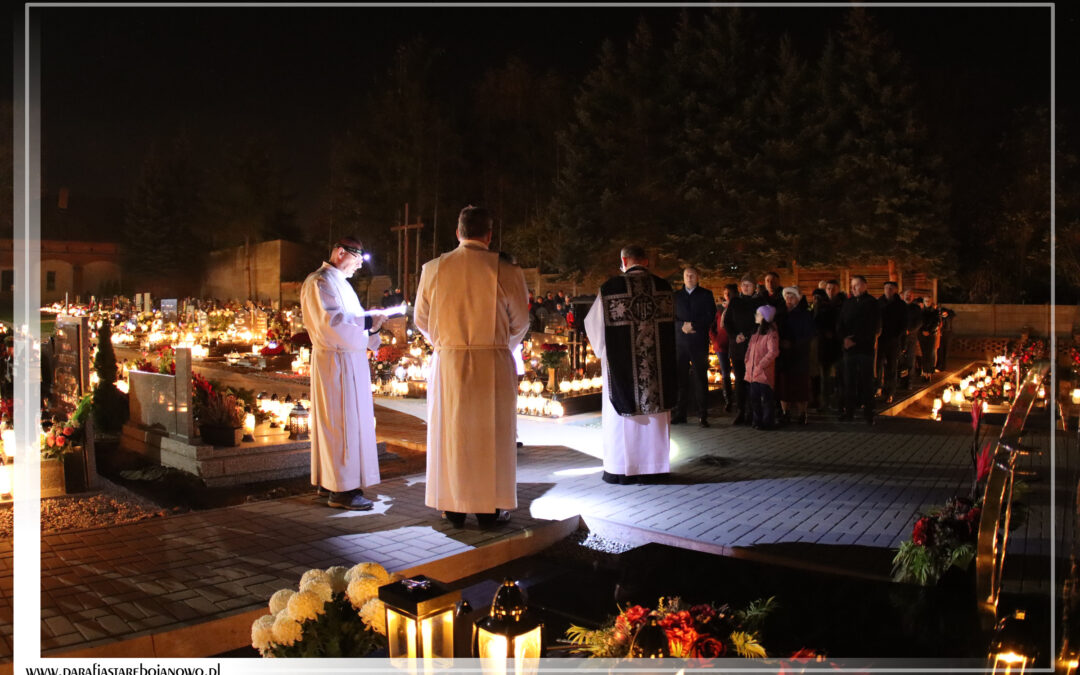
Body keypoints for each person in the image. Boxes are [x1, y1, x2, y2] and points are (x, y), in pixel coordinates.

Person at [415, 206, 530, 528]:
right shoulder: (505, 270)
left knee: (451, 432)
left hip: (448, 362)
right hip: (491, 361)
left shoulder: (434, 268)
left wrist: (445, 344)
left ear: (458, 232)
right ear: (489, 235)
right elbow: (520, 322)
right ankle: (489, 509)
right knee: (489, 435)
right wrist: (498, 347)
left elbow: (421, 320)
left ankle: (451, 506)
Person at [301, 236, 385, 510]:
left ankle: (333, 483)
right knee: (341, 425)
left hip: (349, 361)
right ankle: (342, 490)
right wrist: (369, 321)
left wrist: (372, 328)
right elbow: (332, 324)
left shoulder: (340, 284)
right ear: (339, 253)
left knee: (345, 424)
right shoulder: (319, 282)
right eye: (357, 259)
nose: (359, 266)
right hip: (335, 364)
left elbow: (354, 324)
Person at [584, 245, 676, 485]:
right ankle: (654, 468)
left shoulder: (610, 289)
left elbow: (593, 325)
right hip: (658, 367)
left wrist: (604, 351)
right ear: (647, 261)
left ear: (624, 261)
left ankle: (621, 468)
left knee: (622, 420)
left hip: (621, 368)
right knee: (655, 418)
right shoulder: (663, 287)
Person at [672, 267, 716, 427]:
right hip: (681, 343)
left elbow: (710, 316)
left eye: (692, 275)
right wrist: (681, 326)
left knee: (700, 379)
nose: (689, 277)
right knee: (681, 380)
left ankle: (702, 414)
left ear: (698, 277)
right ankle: (680, 413)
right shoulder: (676, 296)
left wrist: (694, 325)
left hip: (698, 343)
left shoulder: (705, 295)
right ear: (683, 278)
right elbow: (671, 316)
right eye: (686, 275)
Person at [838, 275, 881, 425]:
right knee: (849, 381)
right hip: (849, 349)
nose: (853, 288)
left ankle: (869, 413)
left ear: (864, 286)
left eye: (856, 285)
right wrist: (844, 338)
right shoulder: (848, 303)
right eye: (852, 285)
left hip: (864, 348)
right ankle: (848, 411)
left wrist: (854, 340)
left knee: (866, 382)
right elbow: (841, 322)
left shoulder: (872, 303)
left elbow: (871, 326)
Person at [723, 275, 761, 425]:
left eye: (749, 285)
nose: (746, 287)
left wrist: (746, 335)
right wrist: (735, 335)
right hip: (737, 346)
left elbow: (760, 323)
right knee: (739, 380)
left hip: (752, 346)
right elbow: (727, 322)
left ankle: (753, 411)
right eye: (743, 285)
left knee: (752, 380)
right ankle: (740, 410)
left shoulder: (759, 302)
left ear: (754, 287)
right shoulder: (735, 302)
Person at [778, 287, 813, 425]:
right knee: (784, 385)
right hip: (783, 355)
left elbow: (808, 334)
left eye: (792, 297)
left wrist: (793, 344)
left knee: (800, 385)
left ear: (798, 299)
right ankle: (785, 412)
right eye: (787, 296)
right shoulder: (780, 314)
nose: (789, 299)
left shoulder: (804, 314)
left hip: (799, 355)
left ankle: (802, 413)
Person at [745, 304, 780, 430]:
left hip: (764, 373)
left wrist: (761, 364)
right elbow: (750, 348)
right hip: (753, 372)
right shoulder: (756, 332)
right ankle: (757, 421)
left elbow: (773, 351)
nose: (756, 316)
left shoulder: (771, 333)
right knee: (754, 399)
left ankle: (767, 421)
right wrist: (747, 360)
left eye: (758, 314)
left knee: (766, 399)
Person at [814, 280, 844, 412]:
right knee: (824, 377)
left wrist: (838, 334)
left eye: (833, 288)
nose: (830, 291)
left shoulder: (842, 305)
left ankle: (838, 403)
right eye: (828, 288)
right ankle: (824, 403)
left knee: (840, 376)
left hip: (838, 344)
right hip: (824, 344)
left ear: (838, 290)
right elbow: (816, 322)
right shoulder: (821, 305)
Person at [876, 281, 906, 403]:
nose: (888, 290)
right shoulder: (878, 303)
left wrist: (897, 335)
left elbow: (903, 323)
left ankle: (890, 391)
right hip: (879, 338)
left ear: (895, 290)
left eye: (891, 288)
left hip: (893, 339)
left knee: (891, 366)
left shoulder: (900, 305)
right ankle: (877, 387)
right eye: (886, 288)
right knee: (877, 365)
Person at [709, 284, 737, 412]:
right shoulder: (720, 310)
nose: (727, 296)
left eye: (729, 293)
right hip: (721, 345)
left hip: (735, 344)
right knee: (725, 372)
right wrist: (715, 340)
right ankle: (728, 400)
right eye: (725, 293)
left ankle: (740, 399)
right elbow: (712, 326)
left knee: (737, 372)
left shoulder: (738, 308)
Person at [899, 289, 923, 389]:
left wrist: (910, 330)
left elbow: (919, 322)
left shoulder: (916, 308)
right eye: (906, 294)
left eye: (910, 295)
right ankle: (900, 380)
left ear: (913, 297)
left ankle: (909, 381)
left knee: (910, 359)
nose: (908, 296)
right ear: (903, 296)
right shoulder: (899, 307)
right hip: (899, 337)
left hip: (911, 337)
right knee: (900, 359)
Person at [918, 298, 941, 380]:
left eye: (928, 301)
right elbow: (919, 322)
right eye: (925, 301)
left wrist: (930, 331)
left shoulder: (935, 312)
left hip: (931, 335)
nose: (927, 303)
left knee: (930, 353)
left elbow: (936, 323)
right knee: (924, 353)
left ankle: (929, 371)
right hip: (922, 334)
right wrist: (922, 331)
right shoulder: (920, 312)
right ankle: (924, 371)